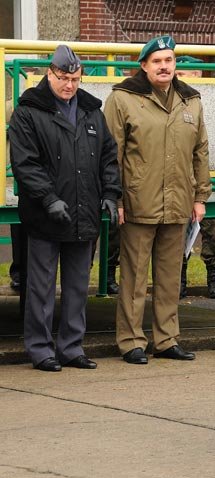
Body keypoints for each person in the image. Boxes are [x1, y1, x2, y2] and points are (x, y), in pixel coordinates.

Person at [9, 45, 121, 371]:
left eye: (75, 78)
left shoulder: (91, 112)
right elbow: (25, 163)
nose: (69, 85)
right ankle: (40, 349)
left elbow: (108, 158)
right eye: (63, 78)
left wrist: (111, 193)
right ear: (50, 73)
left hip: (83, 213)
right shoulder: (28, 111)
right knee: (41, 289)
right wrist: (48, 198)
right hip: (45, 215)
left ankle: (71, 347)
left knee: (76, 287)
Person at [104, 36, 211, 364]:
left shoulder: (190, 99)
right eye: (157, 61)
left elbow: (200, 151)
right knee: (134, 278)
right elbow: (112, 154)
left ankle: (166, 339)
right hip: (138, 201)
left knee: (169, 277)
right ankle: (131, 340)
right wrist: (117, 199)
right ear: (144, 65)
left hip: (178, 202)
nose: (165, 66)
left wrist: (200, 196)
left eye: (169, 60)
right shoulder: (123, 99)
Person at [175, 55, 215, 299]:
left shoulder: (200, 102)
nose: (189, 80)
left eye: (194, 75)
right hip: (176, 181)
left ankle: (214, 276)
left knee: (212, 230)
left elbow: (202, 148)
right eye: (184, 75)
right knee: (177, 234)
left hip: (201, 178)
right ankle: (179, 277)